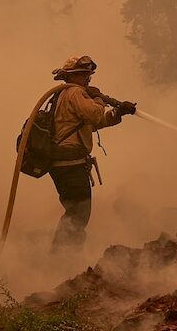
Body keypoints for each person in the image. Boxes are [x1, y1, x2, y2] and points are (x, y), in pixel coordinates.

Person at [48, 56, 136, 252]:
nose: (89, 79)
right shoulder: (74, 93)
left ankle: (62, 255)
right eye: (85, 75)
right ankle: (63, 258)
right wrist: (97, 98)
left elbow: (93, 123)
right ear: (74, 76)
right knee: (78, 213)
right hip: (70, 164)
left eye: (89, 75)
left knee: (76, 213)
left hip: (68, 164)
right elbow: (94, 114)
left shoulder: (68, 95)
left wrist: (118, 113)